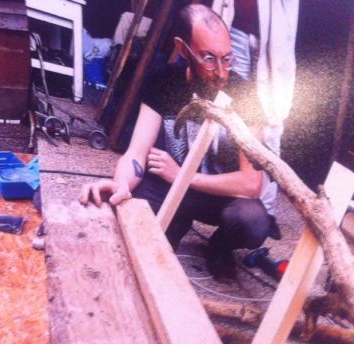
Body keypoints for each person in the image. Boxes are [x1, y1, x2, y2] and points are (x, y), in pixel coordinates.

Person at [80, 4, 272, 281]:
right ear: (183, 49)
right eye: (208, 58)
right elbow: (137, 151)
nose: (221, 72)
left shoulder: (245, 96)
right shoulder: (163, 81)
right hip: (169, 189)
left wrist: (183, 176)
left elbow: (252, 184)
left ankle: (219, 247)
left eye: (227, 58)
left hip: (218, 197)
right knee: (136, 216)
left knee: (253, 221)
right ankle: (173, 225)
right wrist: (121, 183)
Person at [212, 0, 299, 219]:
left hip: (274, 34)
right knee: (226, 108)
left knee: (271, 118)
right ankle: (213, 192)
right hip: (235, 28)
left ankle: (265, 212)